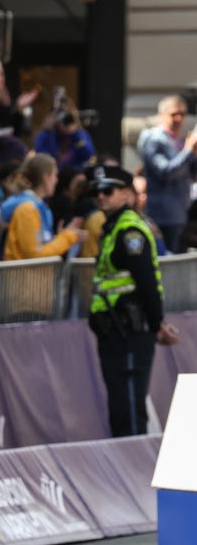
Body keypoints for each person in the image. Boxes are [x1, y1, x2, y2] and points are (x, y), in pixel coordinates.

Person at [87, 164, 179, 437]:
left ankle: (136, 472)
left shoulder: (129, 232)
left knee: (128, 407)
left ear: (127, 194)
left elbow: (148, 284)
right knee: (119, 406)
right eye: (96, 191)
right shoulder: (112, 228)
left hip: (129, 330)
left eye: (108, 190)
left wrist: (156, 324)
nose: (101, 196)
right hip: (114, 331)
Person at [136, 95, 197, 253]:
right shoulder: (153, 139)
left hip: (180, 214)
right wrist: (188, 151)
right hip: (163, 216)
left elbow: (191, 174)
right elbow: (165, 172)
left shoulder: (178, 141)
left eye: (182, 114)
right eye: (174, 114)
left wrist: (193, 154)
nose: (178, 119)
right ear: (161, 115)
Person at [0, 153, 86, 260]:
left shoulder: (36, 207)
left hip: (33, 276)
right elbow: (35, 254)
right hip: (25, 276)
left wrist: (60, 237)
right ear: (46, 177)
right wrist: (67, 237)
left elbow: (39, 246)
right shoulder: (27, 210)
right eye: (55, 175)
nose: (56, 180)